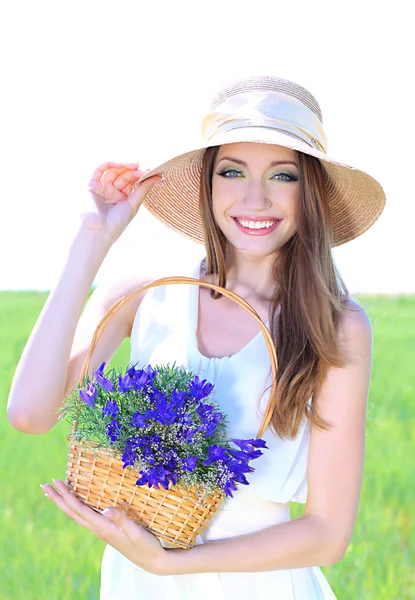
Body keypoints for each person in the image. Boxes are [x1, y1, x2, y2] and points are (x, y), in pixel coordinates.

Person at [7, 75, 385, 599]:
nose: (256, 198)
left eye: (283, 176)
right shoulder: (143, 294)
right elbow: (30, 413)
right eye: (233, 172)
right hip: (137, 582)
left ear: (311, 192)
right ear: (207, 182)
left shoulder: (334, 324)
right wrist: (91, 240)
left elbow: (327, 533)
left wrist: (171, 565)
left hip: (261, 586)